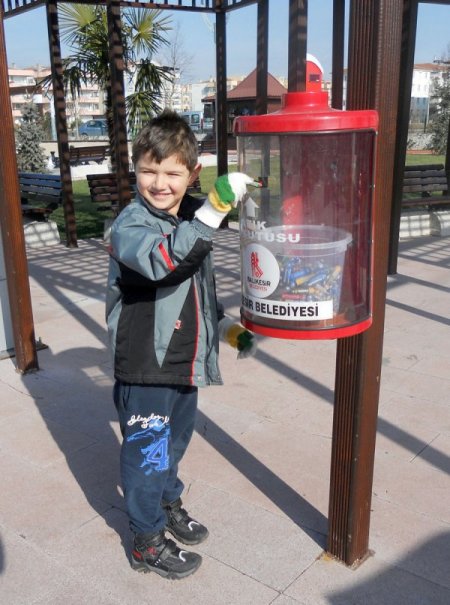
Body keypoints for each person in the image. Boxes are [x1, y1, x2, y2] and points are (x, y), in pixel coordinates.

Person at [106, 110, 257, 580]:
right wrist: (215, 206)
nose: (159, 183)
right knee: (147, 455)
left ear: (192, 173)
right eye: (148, 171)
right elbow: (165, 263)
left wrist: (225, 327)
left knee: (173, 444)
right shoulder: (130, 226)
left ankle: (167, 503)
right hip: (146, 365)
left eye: (172, 173)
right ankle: (146, 540)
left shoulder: (189, 217)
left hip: (183, 362)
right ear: (135, 169)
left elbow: (197, 288)